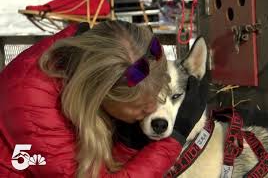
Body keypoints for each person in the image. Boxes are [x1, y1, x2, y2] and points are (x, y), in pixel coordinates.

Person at [0, 20, 208, 178]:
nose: (154, 108)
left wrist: (129, 144)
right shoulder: (34, 111)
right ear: (104, 95)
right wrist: (173, 140)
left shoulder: (97, 56)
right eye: (141, 107)